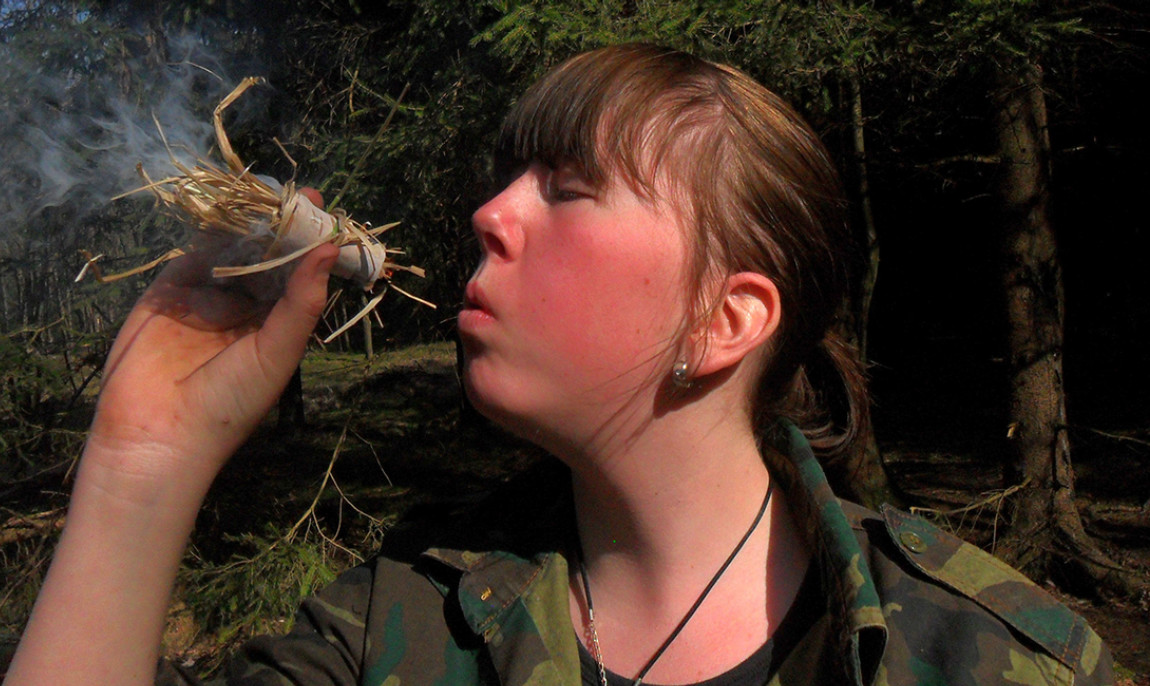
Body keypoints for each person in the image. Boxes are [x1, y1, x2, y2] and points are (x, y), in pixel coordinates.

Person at [5, 43, 1112, 686]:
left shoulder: (998, 660)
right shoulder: (397, 629)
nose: (488, 213)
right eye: (505, 177)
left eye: (568, 188)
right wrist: (139, 462)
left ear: (724, 322)